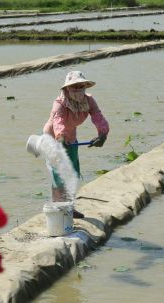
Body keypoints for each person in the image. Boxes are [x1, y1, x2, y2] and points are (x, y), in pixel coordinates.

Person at [43, 71, 109, 218]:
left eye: (81, 86)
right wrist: (59, 141)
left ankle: (70, 208)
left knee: (72, 172)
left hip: (71, 139)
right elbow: (58, 123)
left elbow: (98, 116)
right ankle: (59, 209)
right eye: (74, 87)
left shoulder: (89, 101)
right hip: (53, 138)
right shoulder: (60, 104)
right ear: (66, 89)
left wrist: (102, 134)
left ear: (85, 87)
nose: (78, 90)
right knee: (59, 175)